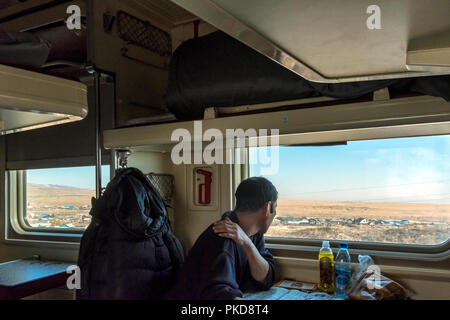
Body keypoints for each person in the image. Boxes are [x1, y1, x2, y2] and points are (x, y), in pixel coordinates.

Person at [166, 177, 278, 300]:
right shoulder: (222, 237)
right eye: (275, 207)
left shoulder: (254, 235)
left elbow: (267, 278)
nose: (276, 213)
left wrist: (247, 243)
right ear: (267, 208)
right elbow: (219, 294)